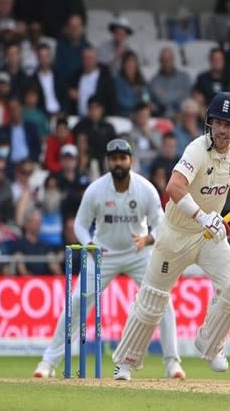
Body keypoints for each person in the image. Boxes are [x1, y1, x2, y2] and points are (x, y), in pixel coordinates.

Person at [111, 92, 230, 380]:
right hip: (177, 234)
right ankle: (126, 362)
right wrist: (202, 217)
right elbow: (174, 187)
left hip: (210, 236)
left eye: (229, 125)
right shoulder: (196, 150)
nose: (222, 130)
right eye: (218, 123)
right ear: (209, 123)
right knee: (153, 299)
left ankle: (210, 343)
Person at [33, 138, 184, 380]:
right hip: (103, 254)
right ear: (108, 162)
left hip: (139, 253)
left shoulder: (145, 189)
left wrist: (146, 240)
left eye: (123, 158)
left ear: (130, 161)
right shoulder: (96, 190)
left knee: (162, 302)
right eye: (114, 159)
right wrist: (89, 245)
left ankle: (172, 364)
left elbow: (161, 224)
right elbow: (81, 226)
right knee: (75, 304)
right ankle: (48, 362)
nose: (118, 163)